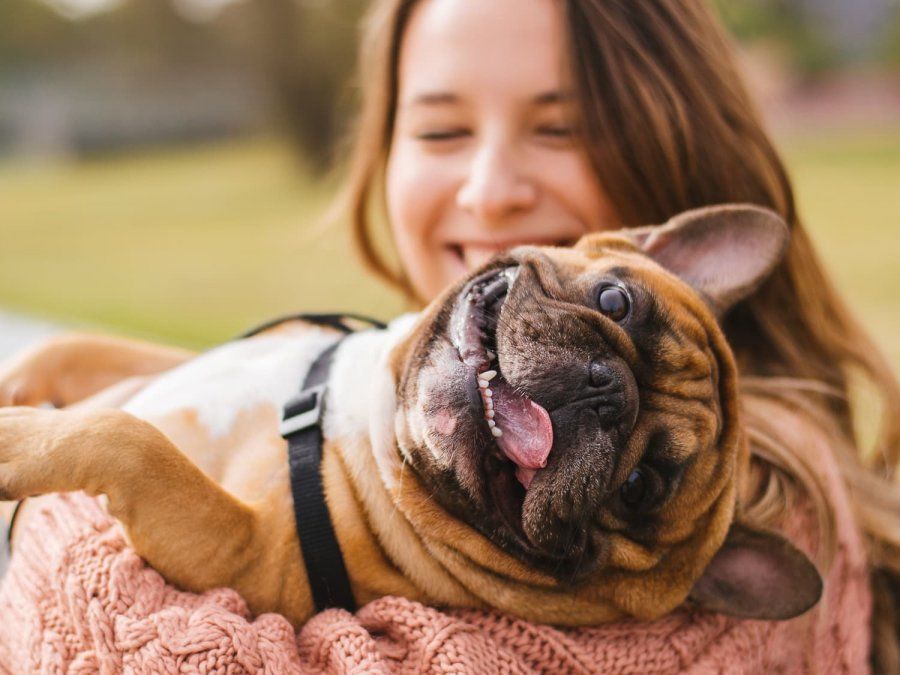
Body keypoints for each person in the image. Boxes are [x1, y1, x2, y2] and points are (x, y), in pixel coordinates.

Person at [1, 0, 897, 670]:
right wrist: (96, 370)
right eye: (439, 126)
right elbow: (238, 400)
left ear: (671, 145)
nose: (488, 187)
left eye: (561, 127)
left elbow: (101, 643)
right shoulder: (397, 376)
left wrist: (68, 485)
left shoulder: (775, 506)